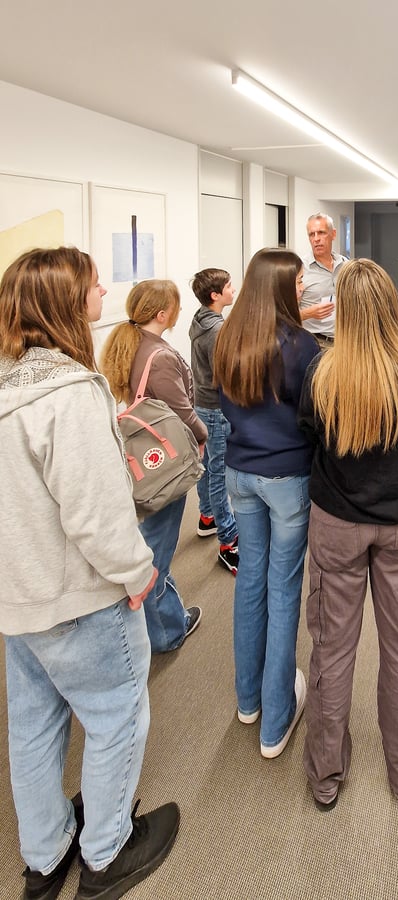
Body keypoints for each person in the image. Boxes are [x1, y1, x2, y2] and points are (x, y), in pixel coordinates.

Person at [0, 247, 179, 900]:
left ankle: (44, 860)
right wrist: (139, 574)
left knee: (34, 728)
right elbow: (96, 516)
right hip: (81, 599)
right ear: (66, 304)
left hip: (17, 599)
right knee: (116, 719)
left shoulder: (6, 383)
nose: (104, 290)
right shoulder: (69, 395)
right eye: (93, 284)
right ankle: (106, 854)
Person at [298, 258, 398, 810]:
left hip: (337, 524)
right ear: (390, 302)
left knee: (332, 651)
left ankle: (325, 776)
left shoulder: (322, 370)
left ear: (342, 308)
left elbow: (310, 432)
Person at [213, 247, 319, 758]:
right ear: (280, 285)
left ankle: (248, 701)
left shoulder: (228, 337)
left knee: (249, 582)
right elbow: (312, 415)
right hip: (286, 480)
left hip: (240, 475)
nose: (304, 289)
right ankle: (275, 722)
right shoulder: (301, 346)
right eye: (298, 282)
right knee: (283, 590)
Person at [101, 279, 208, 653]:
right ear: (163, 314)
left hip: (143, 462)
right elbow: (182, 411)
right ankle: (166, 631)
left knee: (152, 543)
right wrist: (203, 431)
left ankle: (167, 615)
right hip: (165, 467)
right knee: (157, 551)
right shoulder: (160, 357)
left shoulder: (131, 345)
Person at [189, 268, 239, 574]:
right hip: (217, 408)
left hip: (201, 405)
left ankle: (207, 516)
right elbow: (226, 375)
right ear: (215, 296)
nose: (234, 290)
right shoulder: (219, 331)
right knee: (219, 474)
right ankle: (228, 540)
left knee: (207, 466)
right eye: (229, 286)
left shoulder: (199, 319)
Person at [299, 212, 348, 348]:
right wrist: (309, 313)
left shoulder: (345, 264)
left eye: (321, 233)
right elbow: (285, 316)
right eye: (311, 234)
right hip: (317, 343)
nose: (316, 239)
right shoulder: (299, 269)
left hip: (346, 342)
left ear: (333, 234)